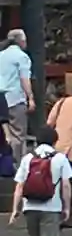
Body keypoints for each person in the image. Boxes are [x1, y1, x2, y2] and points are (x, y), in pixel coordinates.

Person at [9, 141, 72, 236]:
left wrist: (15, 209)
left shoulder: (28, 158)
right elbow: (66, 185)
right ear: (54, 141)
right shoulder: (60, 158)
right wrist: (66, 207)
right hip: (51, 207)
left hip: (30, 207)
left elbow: (19, 186)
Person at [0, 28, 33, 164]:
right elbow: (24, 78)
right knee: (18, 134)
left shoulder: (1, 55)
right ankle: (16, 165)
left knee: (3, 133)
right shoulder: (21, 57)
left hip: (1, 98)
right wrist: (30, 97)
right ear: (21, 41)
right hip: (15, 98)